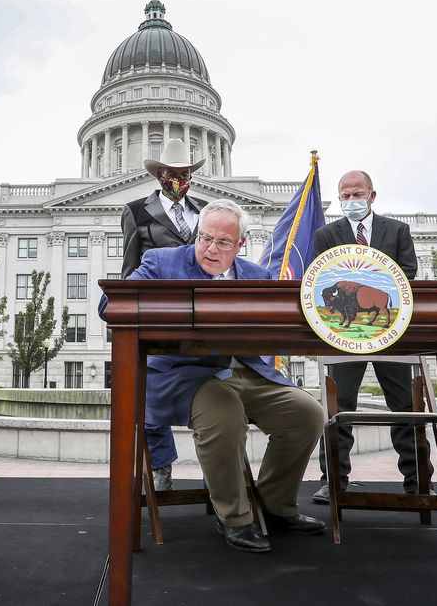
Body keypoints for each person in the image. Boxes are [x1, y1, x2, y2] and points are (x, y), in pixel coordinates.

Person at [104, 198, 327, 553]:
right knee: (223, 411)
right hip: (184, 375)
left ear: (240, 245)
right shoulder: (161, 262)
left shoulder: (256, 275)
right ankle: (235, 518)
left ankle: (275, 505)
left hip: (246, 369)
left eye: (223, 242)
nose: (211, 248)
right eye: (205, 238)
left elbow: (278, 323)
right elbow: (111, 305)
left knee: (308, 414)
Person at [312, 170, 435, 504]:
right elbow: (320, 275)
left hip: (391, 332)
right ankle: (333, 479)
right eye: (345, 195)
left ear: (372, 195)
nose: (351, 200)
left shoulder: (397, 230)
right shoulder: (326, 234)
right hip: (343, 335)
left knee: (405, 408)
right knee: (338, 408)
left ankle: (418, 479)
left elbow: (406, 271)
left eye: (357, 194)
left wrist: (371, 281)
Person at [120, 137, 208, 491]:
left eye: (185, 173)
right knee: (147, 397)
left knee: (217, 389)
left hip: (203, 318)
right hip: (159, 319)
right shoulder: (136, 211)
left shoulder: (206, 210)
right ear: (160, 176)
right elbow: (129, 271)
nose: (179, 179)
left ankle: (216, 474)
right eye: (173, 173)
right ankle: (161, 466)